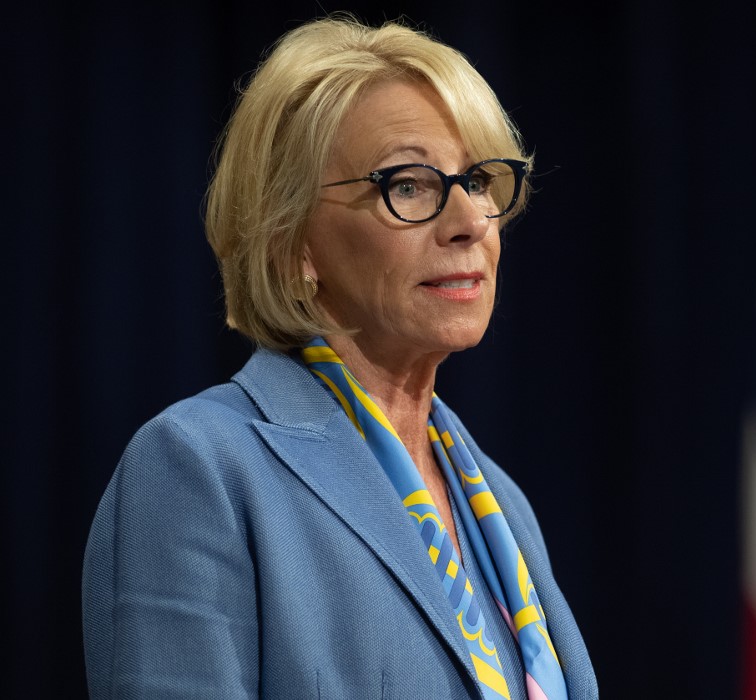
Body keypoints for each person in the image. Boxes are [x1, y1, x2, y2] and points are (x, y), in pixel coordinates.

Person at [81, 15, 597, 699]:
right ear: (293, 242)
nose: (470, 221)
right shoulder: (198, 473)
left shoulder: (499, 503)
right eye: (409, 185)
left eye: (476, 179)